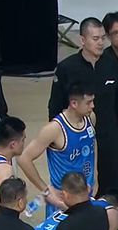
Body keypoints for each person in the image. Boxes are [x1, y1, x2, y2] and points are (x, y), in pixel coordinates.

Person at [48, 17, 118, 230]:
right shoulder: (67, 68)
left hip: (108, 142)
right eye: (95, 38)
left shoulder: (111, 64)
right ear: (82, 40)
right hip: (76, 147)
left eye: (102, 38)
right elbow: (54, 110)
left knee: (110, 198)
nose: (100, 43)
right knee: (78, 200)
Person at [18, 82, 96, 215]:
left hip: (86, 193)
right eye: (88, 103)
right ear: (74, 103)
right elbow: (24, 159)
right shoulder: (54, 129)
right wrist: (46, 190)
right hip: (63, 201)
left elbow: (92, 144)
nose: (92, 106)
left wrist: (95, 176)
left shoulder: (91, 118)